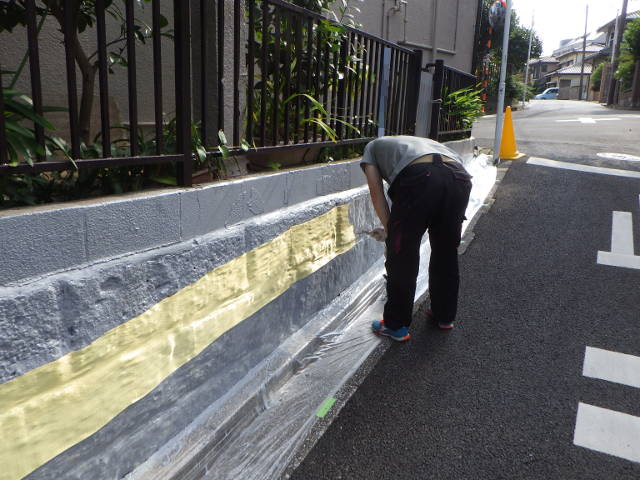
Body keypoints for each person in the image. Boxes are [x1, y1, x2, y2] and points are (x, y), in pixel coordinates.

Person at [360, 135, 472, 342]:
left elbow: (376, 194)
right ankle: (444, 315)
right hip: (459, 178)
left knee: (403, 254)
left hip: (420, 178)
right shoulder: (425, 144)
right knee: (446, 251)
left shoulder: (372, 148)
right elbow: (453, 171)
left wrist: (391, 234)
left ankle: (396, 325)